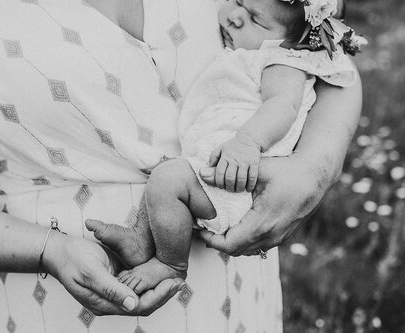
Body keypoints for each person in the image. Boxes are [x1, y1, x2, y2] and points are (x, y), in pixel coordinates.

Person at [0, 0, 361, 331]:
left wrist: (315, 167)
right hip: (52, 305)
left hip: (231, 281)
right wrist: (49, 249)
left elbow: (325, 60)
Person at [87, 0, 365, 293]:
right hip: (219, 170)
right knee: (167, 180)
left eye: (256, 20)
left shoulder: (281, 62)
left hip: (235, 179)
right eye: (238, 1)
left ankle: (171, 263)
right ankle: (141, 240)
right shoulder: (254, 52)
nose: (234, 17)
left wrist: (247, 142)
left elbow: (282, 106)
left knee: (167, 181)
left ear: (296, 44)